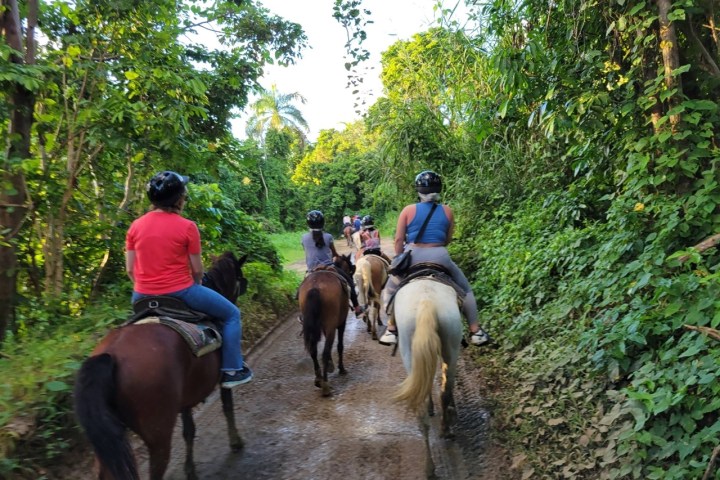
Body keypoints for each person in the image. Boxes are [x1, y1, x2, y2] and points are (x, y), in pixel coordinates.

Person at [125, 171, 253, 388]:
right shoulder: (187, 227)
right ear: (179, 199)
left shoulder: (135, 226)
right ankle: (232, 370)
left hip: (141, 296)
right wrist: (197, 284)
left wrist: (147, 286)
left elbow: (130, 269)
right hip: (180, 291)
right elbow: (197, 270)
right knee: (232, 314)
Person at [378, 170, 493, 347]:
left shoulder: (408, 210)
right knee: (466, 289)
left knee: (390, 288)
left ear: (418, 190)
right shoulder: (447, 211)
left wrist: (400, 257)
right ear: (439, 189)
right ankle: (475, 330)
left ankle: (391, 329)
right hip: (440, 256)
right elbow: (447, 240)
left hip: (413, 255)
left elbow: (399, 240)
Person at [302, 210, 363, 316]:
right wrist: (337, 258)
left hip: (312, 270)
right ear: (322, 222)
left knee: (301, 289)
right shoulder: (328, 237)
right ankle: (357, 308)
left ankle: (303, 314)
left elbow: (308, 252)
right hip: (329, 267)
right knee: (348, 281)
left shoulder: (304, 238)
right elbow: (334, 254)